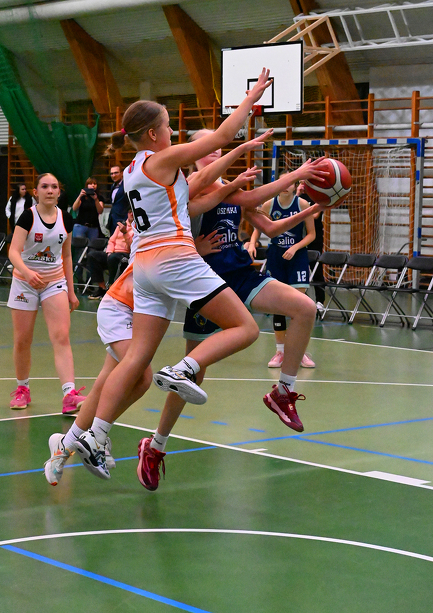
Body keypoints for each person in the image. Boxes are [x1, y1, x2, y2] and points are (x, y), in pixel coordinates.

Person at [43, 137, 263, 485]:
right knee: (138, 376)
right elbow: (204, 184)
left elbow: (218, 193)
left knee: (114, 379)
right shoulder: (169, 194)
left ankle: (67, 444)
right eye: (208, 149)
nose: (214, 154)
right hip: (122, 304)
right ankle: (92, 436)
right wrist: (237, 150)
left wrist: (235, 177)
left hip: (140, 302)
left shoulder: (176, 200)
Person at [135, 150, 327, 491]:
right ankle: (156, 445)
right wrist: (195, 246)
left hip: (239, 274)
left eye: (217, 149)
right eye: (206, 149)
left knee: (304, 308)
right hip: (203, 282)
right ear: (194, 158)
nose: (212, 153)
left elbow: (270, 227)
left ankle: (284, 391)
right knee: (193, 375)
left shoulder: (232, 189)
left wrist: (310, 211)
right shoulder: (189, 188)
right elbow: (169, 232)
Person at [7, 173, 87, 413]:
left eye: (54, 186)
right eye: (44, 186)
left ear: (59, 192)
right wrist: (27, 272)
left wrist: (71, 291)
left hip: (55, 283)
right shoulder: (28, 217)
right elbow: (13, 252)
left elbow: (67, 256)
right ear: (36, 192)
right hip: (24, 283)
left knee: (61, 337)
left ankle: (69, 394)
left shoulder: (66, 219)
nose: (50, 190)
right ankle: (22, 389)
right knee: (23, 340)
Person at [247, 174, 317, 369]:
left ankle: (300, 352)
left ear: (295, 186)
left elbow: (311, 234)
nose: (285, 186)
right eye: (282, 183)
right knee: (278, 306)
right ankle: (280, 351)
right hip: (276, 257)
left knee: (300, 306)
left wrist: (295, 247)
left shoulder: (302, 204)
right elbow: (257, 227)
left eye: (289, 183)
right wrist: (252, 243)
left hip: (297, 257)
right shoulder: (269, 205)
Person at [87, 211, 134, 300]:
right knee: (92, 256)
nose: (131, 214)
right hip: (113, 253)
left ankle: (111, 289)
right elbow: (112, 240)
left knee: (114, 258)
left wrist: (125, 233)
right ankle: (102, 288)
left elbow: (132, 246)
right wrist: (109, 252)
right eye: (129, 212)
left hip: (126, 254)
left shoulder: (137, 229)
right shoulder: (121, 225)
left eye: (133, 213)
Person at [297, 181, 326, 315]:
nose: (303, 184)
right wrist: (297, 193)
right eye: (300, 182)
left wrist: (301, 212)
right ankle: (299, 299)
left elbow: (315, 215)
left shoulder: (317, 196)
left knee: (316, 268)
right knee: (298, 269)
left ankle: (320, 300)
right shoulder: (297, 198)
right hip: (300, 236)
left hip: (315, 236)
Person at [108, 164, 129, 235]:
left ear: (122, 173)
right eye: (111, 174)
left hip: (123, 221)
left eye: (116, 173)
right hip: (112, 220)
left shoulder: (126, 185)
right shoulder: (113, 186)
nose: (113, 175)